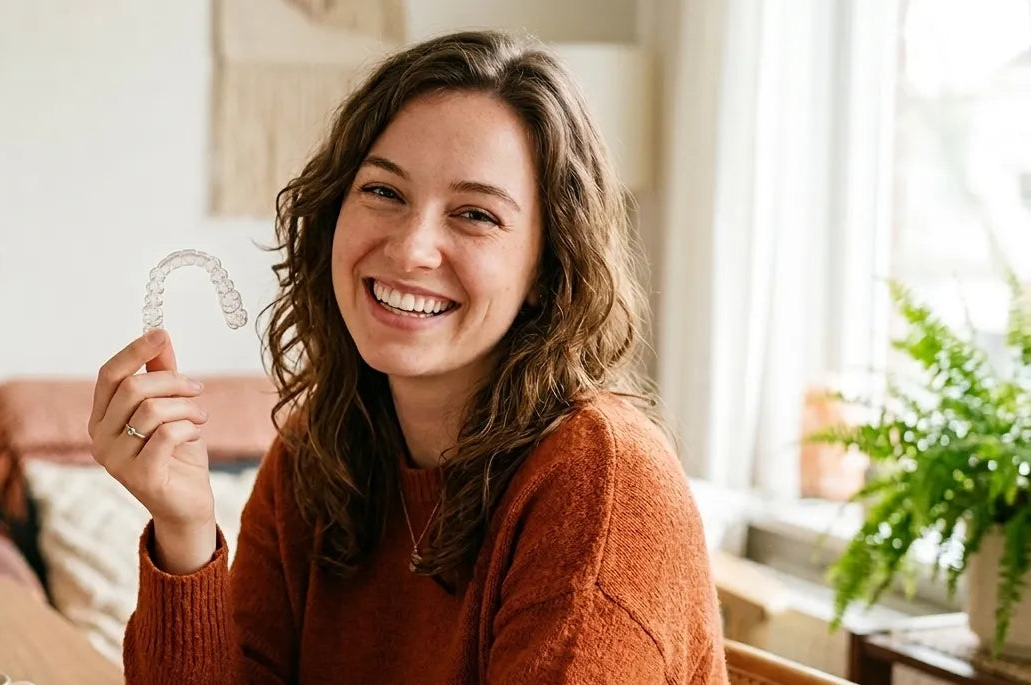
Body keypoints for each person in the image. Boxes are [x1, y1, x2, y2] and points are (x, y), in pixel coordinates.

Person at [87, 29, 728, 684]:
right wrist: (185, 531)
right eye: (385, 193)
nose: (411, 248)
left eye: (476, 214)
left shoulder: (604, 485)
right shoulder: (319, 452)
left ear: (546, 268)